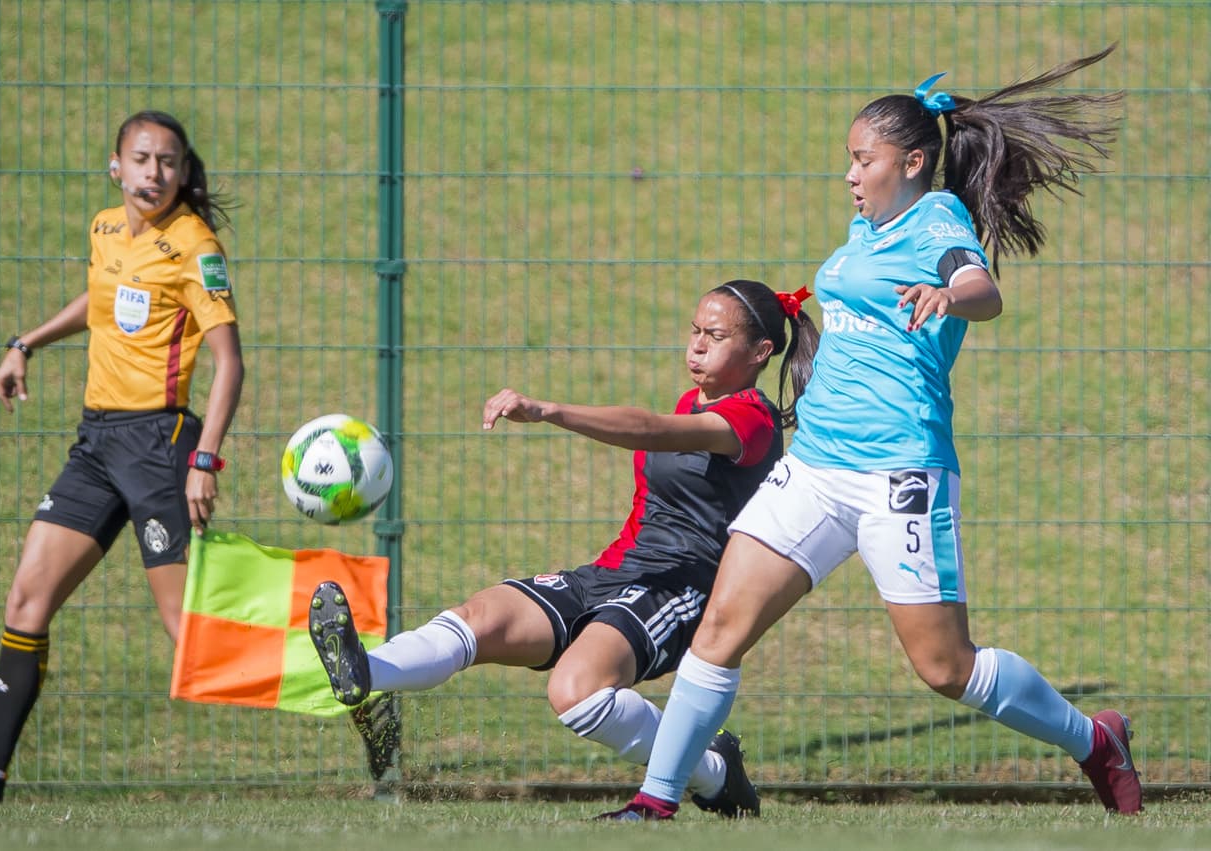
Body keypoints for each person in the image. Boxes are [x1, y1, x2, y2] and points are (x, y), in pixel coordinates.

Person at [601, 46, 1138, 821]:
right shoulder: (866, 231)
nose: (851, 174)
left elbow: (980, 288)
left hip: (899, 477)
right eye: (849, 161)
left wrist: (951, 295)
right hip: (816, 469)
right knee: (719, 628)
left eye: (864, 159)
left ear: (913, 161)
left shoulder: (938, 219)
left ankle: (1094, 738)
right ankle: (654, 802)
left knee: (945, 667)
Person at [309, 279, 818, 817]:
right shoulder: (694, 399)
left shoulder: (751, 419)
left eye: (714, 336)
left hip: (678, 590)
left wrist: (552, 410)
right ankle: (365, 672)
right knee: (480, 618)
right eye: (694, 330)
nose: (695, 346)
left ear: (761, 352)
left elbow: (651, 430)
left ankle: (713, 772)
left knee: (574, 691)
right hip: (611, 573)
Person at [0, 111, 244, 804]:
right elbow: (103, 301)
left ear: (184, 173)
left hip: (160, 446)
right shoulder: (105, 228)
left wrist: (205, 459)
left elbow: (230, 362)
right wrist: (27, 340)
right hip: (97, 444)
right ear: (115, 165)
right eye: (141, 159)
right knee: (27, 598)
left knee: (187, 633)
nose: (153, 173)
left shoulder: (194, 246)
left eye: (168, 162)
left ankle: (346, 681)